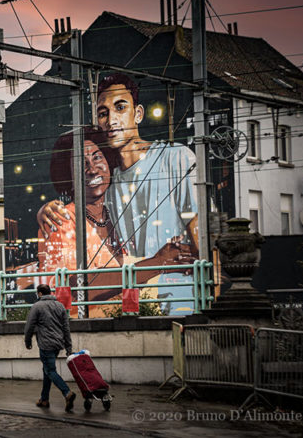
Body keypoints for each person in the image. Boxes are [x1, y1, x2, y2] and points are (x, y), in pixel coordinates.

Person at [38, 73, 200, 314]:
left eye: (120, 107)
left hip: (183, 304)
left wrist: (212, 297)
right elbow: (69, 288)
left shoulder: (176, 158)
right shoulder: (105, 185)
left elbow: (202, 241)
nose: (112, 119)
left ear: (138, 113)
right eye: (103, 113)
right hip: (133, 311)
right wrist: (46, 209)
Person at [24, 283, 76, 411]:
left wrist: (27, 341)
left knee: (50, 371)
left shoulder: (37, 306)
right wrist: (69, 347)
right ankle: (44, 399)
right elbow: (66, 328)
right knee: (47, 370)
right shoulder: (60, 306)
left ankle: (67, 393)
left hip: (46, 344)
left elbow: (29, 326)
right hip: (58, 344)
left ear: (40, 294)